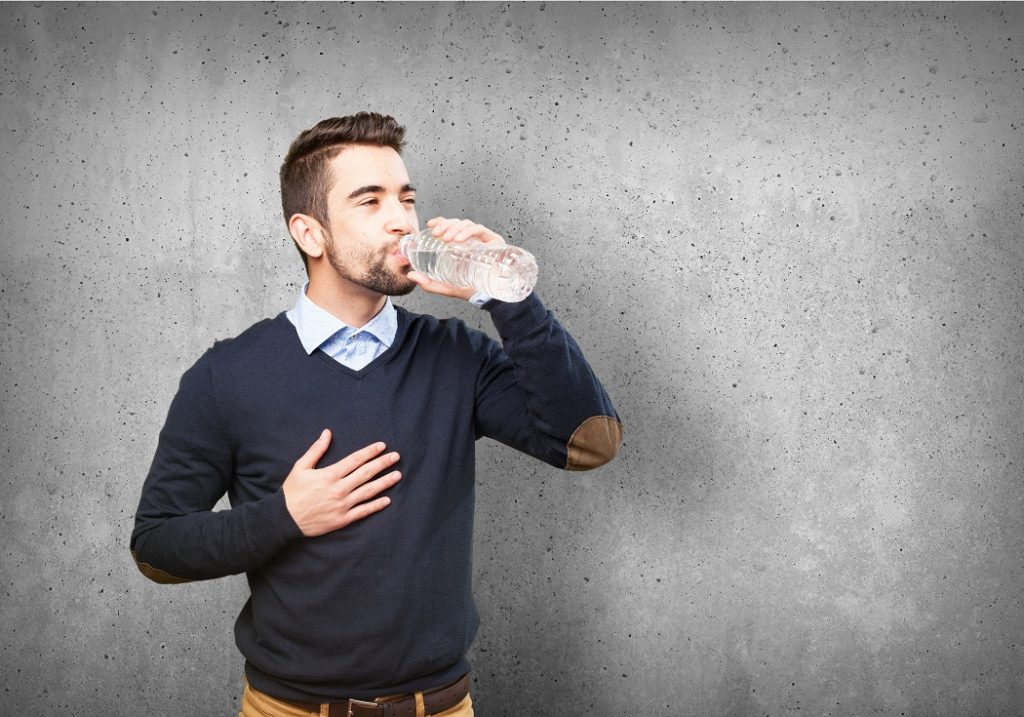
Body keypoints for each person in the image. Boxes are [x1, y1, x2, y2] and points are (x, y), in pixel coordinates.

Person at [130, 112, 623, 717]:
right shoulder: (226, 376)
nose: (402, 220)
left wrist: (508, 296)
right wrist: (284, 516)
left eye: (406, 198)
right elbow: (157, 547)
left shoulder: (455, 356)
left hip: (441, 708)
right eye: (370, 201)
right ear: (310, 234)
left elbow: (588, 443)